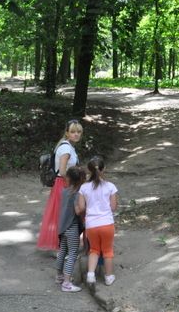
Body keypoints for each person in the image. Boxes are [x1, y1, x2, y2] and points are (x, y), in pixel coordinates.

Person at [37, 119, 83, 250]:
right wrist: (71, 185)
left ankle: (62, 246)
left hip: (63, 183)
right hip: (64, 183)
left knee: (62, 214)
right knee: (62, 215)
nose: (76, 134)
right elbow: (62, 171)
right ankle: (59, 247)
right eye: (73, 132)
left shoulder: (67, 146)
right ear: (67, 133)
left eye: (78, 132)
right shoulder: (66, 149)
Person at [76, 156, 119, 286]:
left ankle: (91, 275)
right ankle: (109, 277)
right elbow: (113, 207)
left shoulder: (84, 188)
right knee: (107, 251)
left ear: (89, 170)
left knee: (94, 250)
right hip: (107, 223)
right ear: (104, 169)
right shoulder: (110, 186)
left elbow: (81, 207)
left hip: (91, 224)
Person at [56, 166, 86, 292]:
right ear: (80, 180)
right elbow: (78, 211)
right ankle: (67, 283)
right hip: (71, 227)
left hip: (62, 226)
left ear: (69, 178)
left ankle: (59, 276)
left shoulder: (64, 191)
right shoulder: (77, 194)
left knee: (62, 251)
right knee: (73, 253)